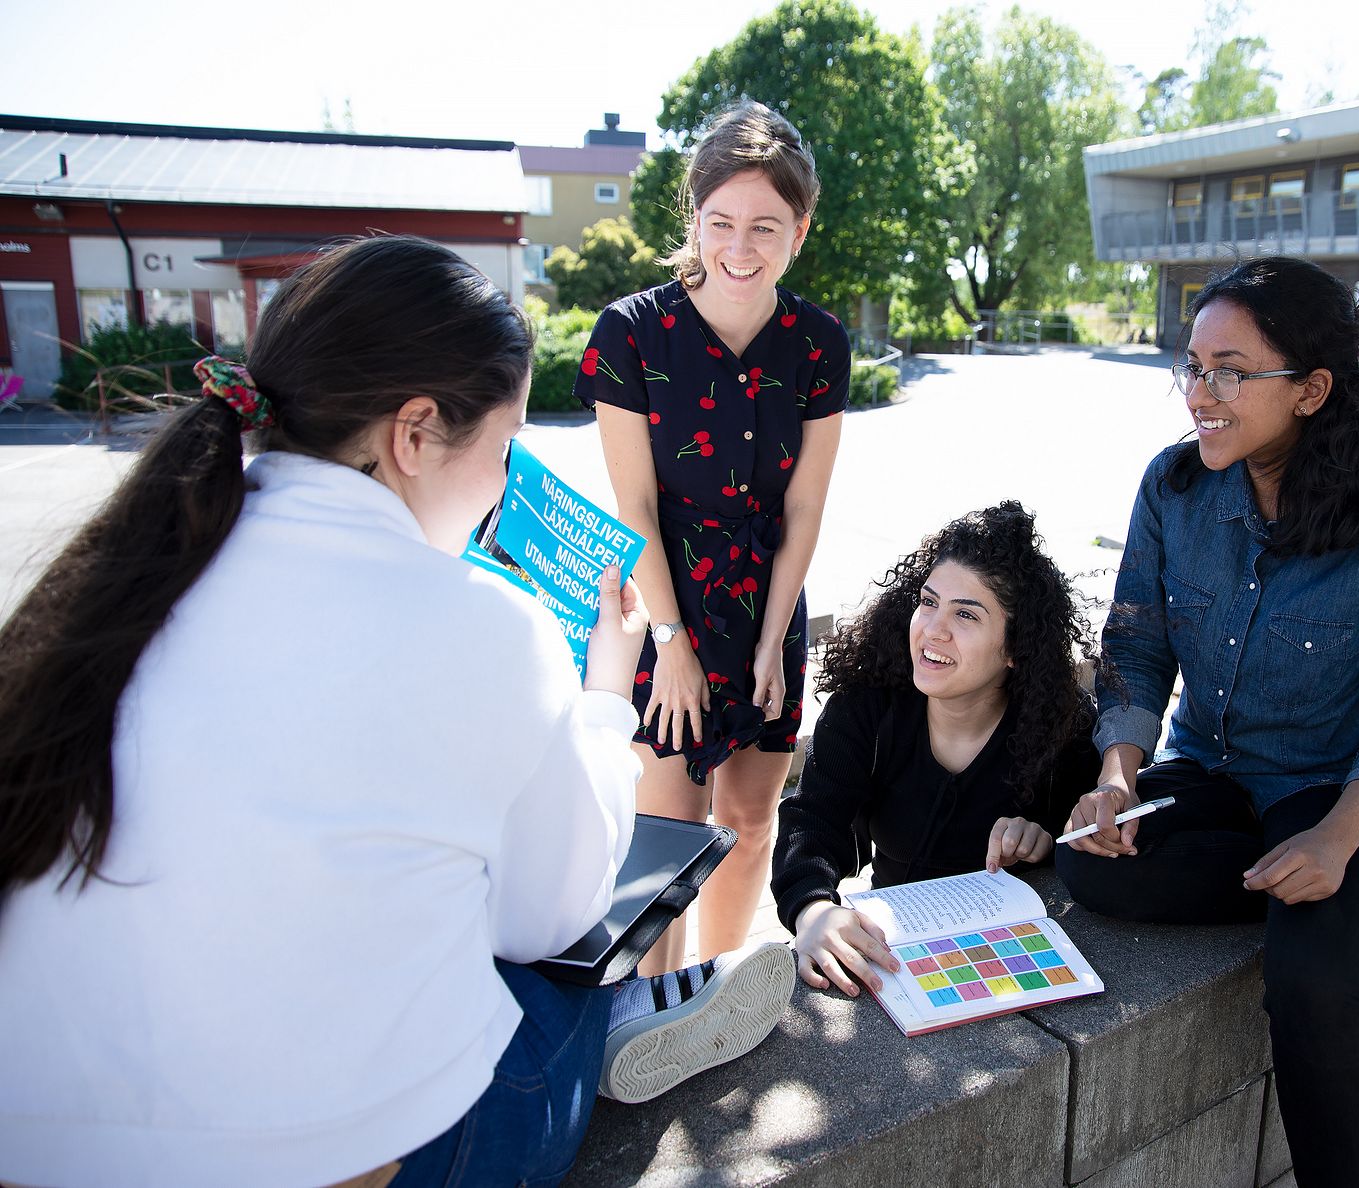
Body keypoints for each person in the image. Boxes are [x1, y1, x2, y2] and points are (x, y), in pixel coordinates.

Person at [0, 236, 794, 1188]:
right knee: (566, 969)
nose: (507, 483)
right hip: (353, 1162)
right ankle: (624, 1022)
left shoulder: (129, 577)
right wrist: (600, 692)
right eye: (503, 450)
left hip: (51, 1146)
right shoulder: (484, 626)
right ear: (414, 433)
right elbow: (556, 914)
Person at [1056, 257, 1359, 1188]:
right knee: (1084, 862)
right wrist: (1117, 776)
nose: (1200, 394)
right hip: (1214, 768)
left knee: (1309, 985)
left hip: (1341, 790)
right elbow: (1138, 646)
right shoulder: (1174, 488)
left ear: (1311, 389)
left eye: (1231, 370)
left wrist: (1346, 843)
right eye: (1191, 366)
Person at [578, 100, 849, 974]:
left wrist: (774, 639)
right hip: (665, 601)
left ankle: (721, 993)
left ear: (799, 230)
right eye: (721, 221)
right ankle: (653, 1016)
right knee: (666, 836)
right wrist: (672, 641)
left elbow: (804, 506)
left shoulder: (818, 343)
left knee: (751, 819)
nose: (741, 246)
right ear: (692, 219)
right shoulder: (629, 331)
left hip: (769, 601)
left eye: (766, 225)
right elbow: (634, 509)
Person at [771, 502, 1101, 996]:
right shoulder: (866, 708)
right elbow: (811, 822)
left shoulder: (1062, 726)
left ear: (1015, 648)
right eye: (928, 602)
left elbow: (1098, 840)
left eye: (965, 614)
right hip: (893, 944)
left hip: (1001, 956)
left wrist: (1046, 840)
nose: (933, 629)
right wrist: (814, 909)